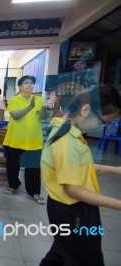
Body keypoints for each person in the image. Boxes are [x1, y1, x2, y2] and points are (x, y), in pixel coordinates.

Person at [40, 85, 121, 266]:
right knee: (85, 257)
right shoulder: (66, 140)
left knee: (62, 253)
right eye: (104, 121)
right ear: (85, 109)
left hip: (69, 208)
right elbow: (73, 189)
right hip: (72, 210)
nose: (102, 125)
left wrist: (114, 169)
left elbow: (76, 165)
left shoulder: (65, 126)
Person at [3, 75, 55, 204]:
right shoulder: (14, 100)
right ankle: (13, 185)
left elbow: (43, 117)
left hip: (33, 140)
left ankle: (34, 192)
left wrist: (47, 108)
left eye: (32, 83)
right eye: (26, 83)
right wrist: (30, 107)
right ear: (20, 86)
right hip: (15, 139)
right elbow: (15, 116)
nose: (29, 85)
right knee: (13, 165)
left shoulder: (39, 99)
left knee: (33, 168)